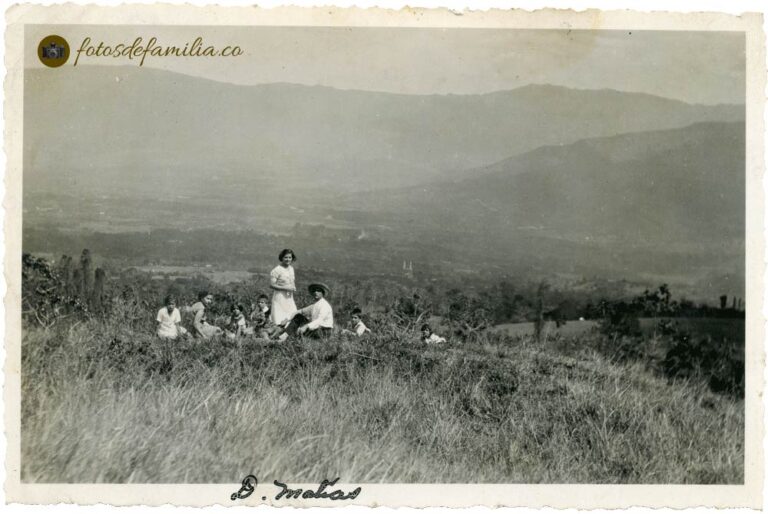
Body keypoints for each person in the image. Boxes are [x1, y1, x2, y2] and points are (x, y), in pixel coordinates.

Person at [270, 249, 298, 326]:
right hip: (280, 296)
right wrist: (286, 288)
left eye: (290, 257)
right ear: (282, 258)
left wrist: (293, 287)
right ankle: (277, 332)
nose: (288, 259)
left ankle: (288, 333)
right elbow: (272, 285)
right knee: (280, 316)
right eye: (286, 257)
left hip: (289, 296)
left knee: (291, 313)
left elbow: (291, 281)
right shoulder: (277, 270)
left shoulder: (291, 268)